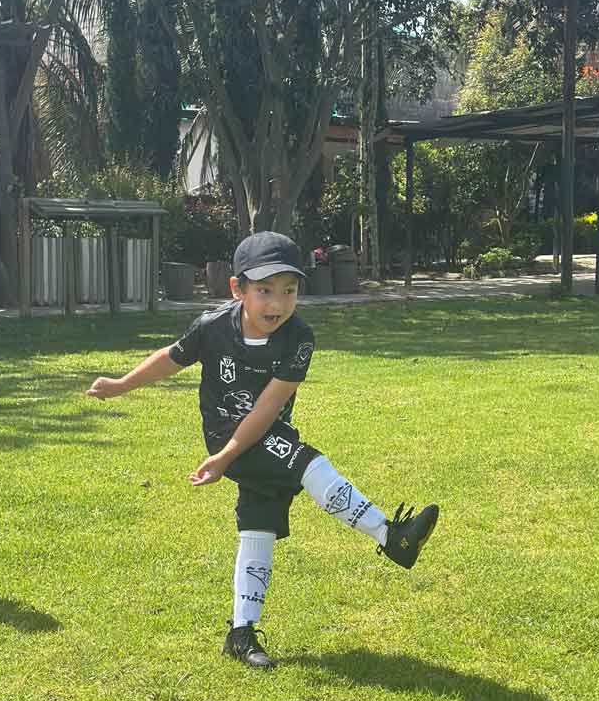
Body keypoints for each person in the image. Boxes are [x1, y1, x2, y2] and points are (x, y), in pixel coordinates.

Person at [87, 231, 439, 668]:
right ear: (238, 289)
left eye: (289, 291)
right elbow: (171, 358)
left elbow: (269, 407)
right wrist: (121, 385)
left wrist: (229, 457)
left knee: (259, 526)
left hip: (267, 431)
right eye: (265, 290)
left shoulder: (299, 337)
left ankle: (241, 634)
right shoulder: (212, 327)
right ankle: (390, 536)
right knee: (307, 462)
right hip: (227, 435)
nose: (278, 303)